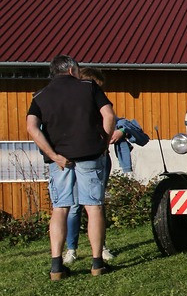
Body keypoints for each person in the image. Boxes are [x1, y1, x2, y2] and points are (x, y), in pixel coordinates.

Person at [26, 55, 117, 280]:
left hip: (60, 162)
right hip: (90, 155)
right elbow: (109, 115)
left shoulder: (40, 96)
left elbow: (32, 127)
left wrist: (53, 155)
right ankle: (97, 263)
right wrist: (103, 143)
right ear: (71, 70)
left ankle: (57, 266)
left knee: (60, 209)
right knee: (93, 207)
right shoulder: (89, 87)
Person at [62, 66, 122, 267]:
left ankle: (100, 247)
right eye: (96, 87)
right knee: (74, 206)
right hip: (77, 157)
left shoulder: (100, 105)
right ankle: (71, 248)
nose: (98, 92)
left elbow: (118, 120)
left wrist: (117, 133)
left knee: (96, 204)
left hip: (98, 158)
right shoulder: (74, 105)